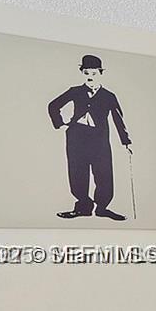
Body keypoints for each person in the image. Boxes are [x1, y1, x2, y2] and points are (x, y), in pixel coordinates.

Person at [47, 54, 132, 220]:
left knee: (103, 172)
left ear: (100, 73)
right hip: (76, 138)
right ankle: (83, 207)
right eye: (86, 73)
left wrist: (126, 141)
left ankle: (102, 208)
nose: (90, 77)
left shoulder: (109, 96)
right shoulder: (75, 91)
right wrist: (61, 123)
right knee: (78, 171)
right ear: (82, 73)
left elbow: (118, 119)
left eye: (94, 73)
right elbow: (53, 105)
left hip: (99, 139)